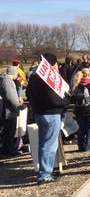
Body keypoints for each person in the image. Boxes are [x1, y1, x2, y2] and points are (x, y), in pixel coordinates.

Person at [26, 54, 71, 184]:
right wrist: (67, 100)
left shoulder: (34, 76)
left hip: (39, 113)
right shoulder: (47, 78)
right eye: (56, 64)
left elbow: (29, 94)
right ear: (52, 64)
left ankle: (45, 170)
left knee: (43, 144)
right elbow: (55, 99)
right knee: (49, 144)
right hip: (51, 114)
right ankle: (45, 174)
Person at [0, 66, 25, 158]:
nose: (17, 75)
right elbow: (10, 96)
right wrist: (19, 105)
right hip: (9, 110)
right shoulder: (7, 81)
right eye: (16, 74)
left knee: (8, 131)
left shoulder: (5, 80)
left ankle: (7, 150)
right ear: (13, 73)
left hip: (8, 109)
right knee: (9, 131)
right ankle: (8, 151)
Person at [72, 68, 90, 152]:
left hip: (80, 109)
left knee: (81, 128)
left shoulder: (78, 84)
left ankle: (80, 146)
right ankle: (88, 145)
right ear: (89, 75)